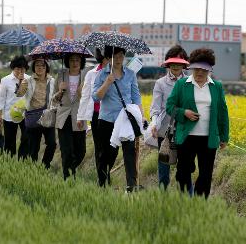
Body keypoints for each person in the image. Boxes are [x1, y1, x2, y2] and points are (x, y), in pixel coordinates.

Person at [166, 48, 229, 198]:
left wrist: (224, 137)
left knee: (206, 174)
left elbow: (222, 112)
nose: (199, 73)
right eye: (196, 69)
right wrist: (184, 113)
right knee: (183, 172)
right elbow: (170, 106)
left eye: (203, 70)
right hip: (187, 136)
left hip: (208, 137)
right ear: (191, 68)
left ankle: (200, 204)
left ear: (209, 70)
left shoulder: (217, 86)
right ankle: (184, 200)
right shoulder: (182, 84)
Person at [93, 46, 145, 192]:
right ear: (109, 58)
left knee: (129, 152)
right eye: (115, 56)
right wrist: (107, 83)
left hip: (125, 120)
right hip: (107, 120)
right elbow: (96, 97)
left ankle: (131, 185)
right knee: (107, 155)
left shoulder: (130, 74)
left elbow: (136, 96)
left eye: (121, 56)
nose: (118, 59)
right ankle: (103, 183)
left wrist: (141, 117)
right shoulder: (102, 74)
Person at [150, 45, 189, 189]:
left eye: (179, 62)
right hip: (165, 130)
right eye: (173, 62)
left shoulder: (190, 82)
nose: (176, 65)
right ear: (168, 63)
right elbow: (155, 108)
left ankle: (184, 199)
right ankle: (163, 198)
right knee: (164, 168)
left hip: (185, 130)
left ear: (184, 64)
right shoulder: (160, 83)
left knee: (184, 168)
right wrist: (154, 124)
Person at [53, 53, 88, 180]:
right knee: (66, 151)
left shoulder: (86, 76)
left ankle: (70, 170)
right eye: (72, 60)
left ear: (81, 61)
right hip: (64, 117)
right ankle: (67, 178)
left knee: (81, 151)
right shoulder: (61, 75)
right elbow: (54, 100)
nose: (75, 63)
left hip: (79, 116)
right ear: (68, 61)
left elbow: (89, 97)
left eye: (77, 60)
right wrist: (60, 91)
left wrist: (81, 93)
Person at [16, 58, 56, 168]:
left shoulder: (52, 81)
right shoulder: (28, 80)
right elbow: (19, 94)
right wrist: (20, 82)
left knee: (52, 144)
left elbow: (56, 97)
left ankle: (45, 165)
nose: (40, 68)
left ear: (46, 67)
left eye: (43, 65)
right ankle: (33, 169)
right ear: (34, 68)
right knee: (34, 147)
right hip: (33, 116)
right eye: (37, 65)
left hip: (48, 115)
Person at [77, 48, 109, 178]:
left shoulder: (117, 73)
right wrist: (80, 117)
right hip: (96, 115)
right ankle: (102, 178)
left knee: (110, 148)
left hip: (112, 115)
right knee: (99, 147)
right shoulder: (91, 74)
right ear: (102, 58)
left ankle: (107, 173)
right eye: (108, 58)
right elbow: (85, 96)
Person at [0, 55, 30, 158]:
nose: (20, 71)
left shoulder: (29, 79)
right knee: (10, 140)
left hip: (25, 114)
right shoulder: (5, 80)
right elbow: (1, 98)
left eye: (23, 68)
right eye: (17, 68)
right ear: (13, 68)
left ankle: (22, 159)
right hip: (9, 114)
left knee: (26, 137)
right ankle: (9, 160)